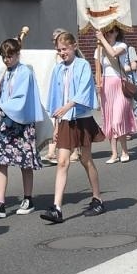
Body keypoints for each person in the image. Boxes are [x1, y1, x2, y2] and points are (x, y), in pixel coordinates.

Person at [43, 32, 105, 222]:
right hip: (65, 120)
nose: (62, 53)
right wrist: (56, 125)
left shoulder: (83, 65)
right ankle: (57, 207)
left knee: (86, 159)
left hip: (82, 118)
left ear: (74, 47)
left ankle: (97, 198)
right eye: (59, 50)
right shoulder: (58, 69)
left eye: (65, 49)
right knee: (62, 161)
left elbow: (85, 90)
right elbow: (56, 97)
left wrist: (68, 106)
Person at [0, 37, 46, 217]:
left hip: (22, 123)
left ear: (18, 54)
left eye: (9, 56)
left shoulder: (25, 72)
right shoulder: (3, 72)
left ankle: (28, 198)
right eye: (4, 56)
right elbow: (0, 96)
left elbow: (20, 99)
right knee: (1, 160)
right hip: (6, 123)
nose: (6, 60)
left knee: (25, 162)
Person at [94, 24, 137, 162]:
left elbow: (113, 54)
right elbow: (98, 70)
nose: (108, 33)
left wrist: (102, 39)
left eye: (111, 31)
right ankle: (114, 153)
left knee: (118, 120)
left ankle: (125, 151)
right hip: (106, 85)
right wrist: (98, 85)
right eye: (106, 31)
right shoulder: (99, 50)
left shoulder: (122, 45)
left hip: (119, 84)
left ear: (117, 33)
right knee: (109, 121)